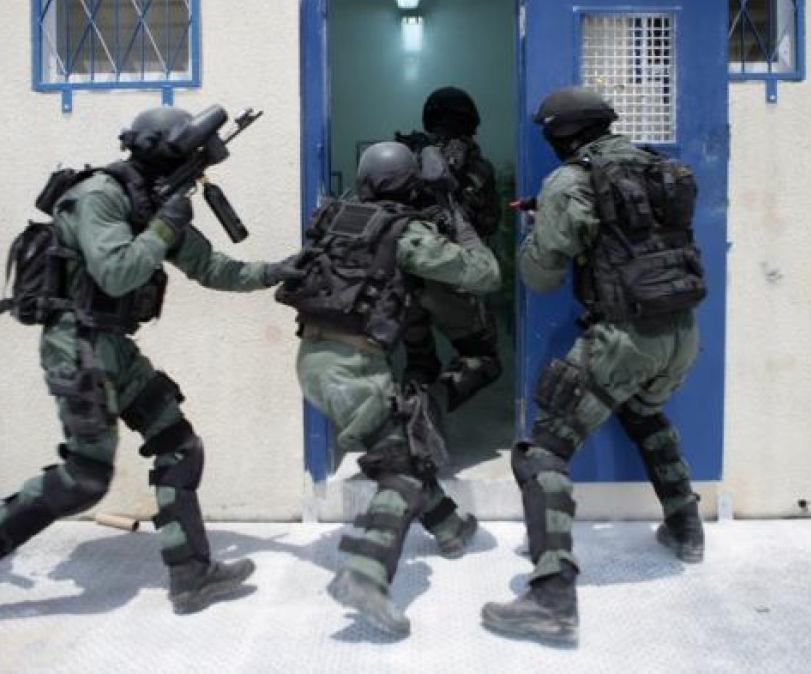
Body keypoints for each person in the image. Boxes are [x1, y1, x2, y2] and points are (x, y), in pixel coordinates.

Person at [0, 105, 301, 623]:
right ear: (153, 150)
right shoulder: (100, 195)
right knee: (87, 475)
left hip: (112, 344)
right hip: (75, 344)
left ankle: (191, 574)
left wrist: (277, 271)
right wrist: (163, 227)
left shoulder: (149, 202)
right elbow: (115, 273)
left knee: (179, 445)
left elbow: (211, 267)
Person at [481, 87, 706, 646]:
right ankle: (685, 526)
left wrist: (538, 228)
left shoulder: (569, 182)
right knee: (642, 411)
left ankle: (552, 596)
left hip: (624, 336)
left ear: (561, 134)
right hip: (681, 330)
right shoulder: (658, 167)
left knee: (541, 453)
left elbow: (541, 276)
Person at [276, 140, 501, 638]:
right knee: (402, 469)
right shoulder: (406, 233)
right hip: (355, 368)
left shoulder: (333, 218)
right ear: (410, 183)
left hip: (315, 362)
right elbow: (485, 274)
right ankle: (366, 574)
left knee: (404, 448)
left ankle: (449, 527)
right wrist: (452, 211)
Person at [398, 86, 503, 412]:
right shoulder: (478, 167)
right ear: (470, 121)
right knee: (482, 358)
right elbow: (489, 223)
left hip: (404, 279)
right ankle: (431, 411)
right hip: (452, 275)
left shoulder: (406, 158)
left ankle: (410, 419)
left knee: (419, 361)